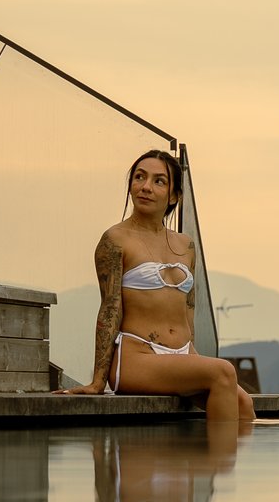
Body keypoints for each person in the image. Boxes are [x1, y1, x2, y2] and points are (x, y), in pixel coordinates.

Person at [56, 149, 255, 421]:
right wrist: (97, 382)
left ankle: (216, 462)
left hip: (181, 355)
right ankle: (216, 461)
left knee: (244, 406)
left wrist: (192, 358)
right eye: (140, 178)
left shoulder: (186, 246)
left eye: (159, 181)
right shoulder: (116, 240)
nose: (146, 187)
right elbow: (110, 309)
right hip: (137, 358)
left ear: (174, 196)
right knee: (224, 371)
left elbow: (187, 311)